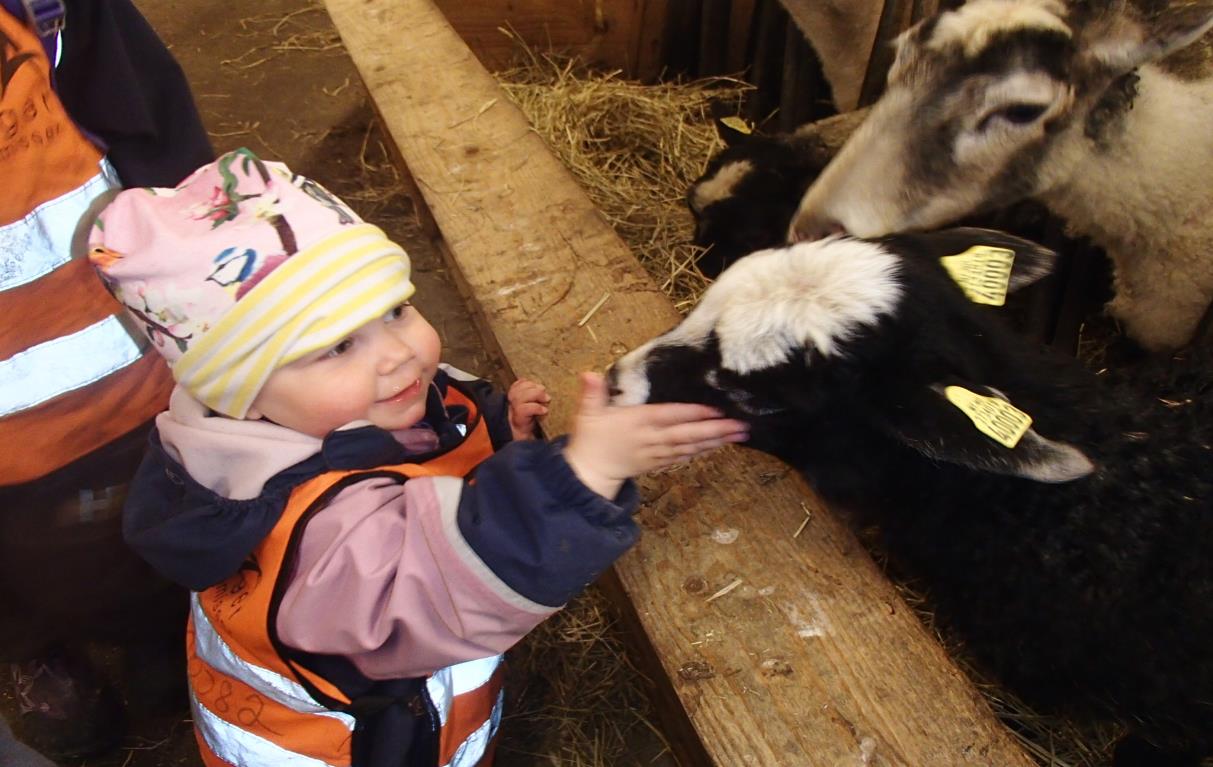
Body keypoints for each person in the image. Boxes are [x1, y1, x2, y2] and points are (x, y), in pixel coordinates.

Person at [87, 148, 749, 767]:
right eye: (338, 346)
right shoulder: (313, 536)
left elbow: (422, 450)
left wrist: (500, 436)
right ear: (245, 393)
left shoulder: (341, 410)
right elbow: (432, 586)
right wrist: (581, 478)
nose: (400, 352)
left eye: (397, 309)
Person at [0, 0, 214, 760]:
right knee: (20, 555)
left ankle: (165, 628)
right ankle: (38, 649)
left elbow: (151, 124)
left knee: (142, 504)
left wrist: (206, 282)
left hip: (117, 371)